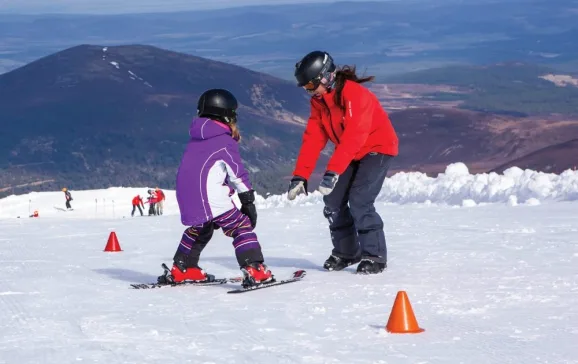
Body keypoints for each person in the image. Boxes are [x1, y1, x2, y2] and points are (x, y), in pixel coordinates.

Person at [287, 50, 399, 275]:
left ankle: (374, 256)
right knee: (333, 201)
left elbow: (355, 136)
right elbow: (313, 138)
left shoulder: (355, 95)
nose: (309, 92)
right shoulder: (320, 102)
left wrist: (333, 171)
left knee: (360, 200)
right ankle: (347, 252)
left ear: (326, 77)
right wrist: (301, 175)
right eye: (306, 88)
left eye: (310, 86)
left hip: (377, 149)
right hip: (352, 152)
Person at [157, 88, 273, 287]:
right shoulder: (223, 141)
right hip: (209, 199)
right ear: (227, 115)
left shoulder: (195, 139)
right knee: (240, 226)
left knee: (201, 228)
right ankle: (255, 269)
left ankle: (183, 268)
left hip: (188, 196)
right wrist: (247, 200)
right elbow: (236, 173)